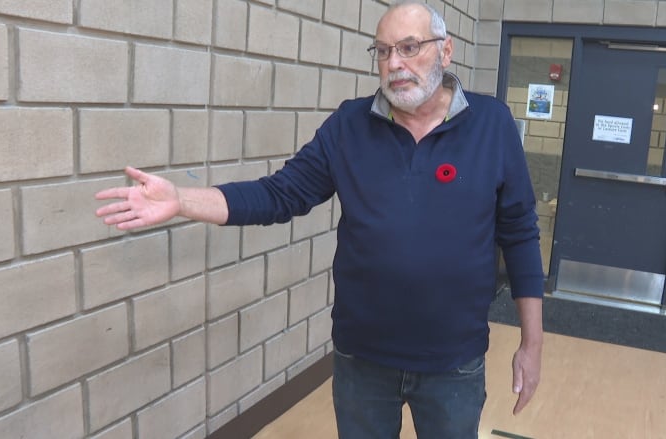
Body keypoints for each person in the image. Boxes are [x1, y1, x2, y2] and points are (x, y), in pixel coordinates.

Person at [95, 1, 543, 437]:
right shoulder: (350, 124)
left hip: (454, 361)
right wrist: (181, 200)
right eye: (383, 51)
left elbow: (520, 234)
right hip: (362, 358)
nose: (394, 63)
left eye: (409, 47)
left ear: (445, 52)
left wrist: (531, 343)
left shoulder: (492, 124)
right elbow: (280, 194)